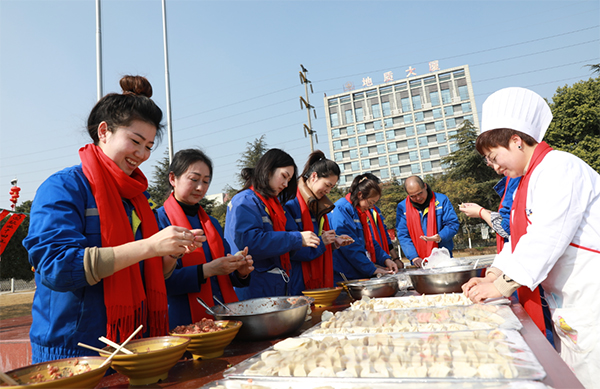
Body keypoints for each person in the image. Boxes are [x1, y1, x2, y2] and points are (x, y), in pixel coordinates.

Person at [23, 76, 205, 363]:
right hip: (74, 350)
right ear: (104, 131)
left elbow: (148, 270)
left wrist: (169, 255)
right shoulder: (64, 187)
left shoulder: (138, 198)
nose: (142, 154)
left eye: (148, 146)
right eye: (135, 141)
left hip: (133, 345)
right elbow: (56, 267)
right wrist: (149, 246)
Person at [461, 87, 600, 387]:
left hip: (592, 299)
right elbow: (519, 240)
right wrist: (493, 274)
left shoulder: (559, 168)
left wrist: (501, 286)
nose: (495, 167)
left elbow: (546, 238)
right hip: (568, 303)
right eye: (489, 161)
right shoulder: (526, 181)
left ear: (516, 140)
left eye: (495, 157)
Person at [156, 149, 254, 329]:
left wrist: (240, 270)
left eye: (206, 181)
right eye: (194, 179)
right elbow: (160, 281)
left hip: (220, 316)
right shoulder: (158, 221)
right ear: (173, 178)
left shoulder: (212, 223)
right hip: (182, 319)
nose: (200, 187)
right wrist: (206, 270)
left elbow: (222, 273)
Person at [224, 148, 320, 299]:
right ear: (268, 170)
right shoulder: (245, 201)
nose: (286, 184)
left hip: (273, 287)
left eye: (289, 180)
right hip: (255, 290)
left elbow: (287, 241)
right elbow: (249, 242)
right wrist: (296, 239)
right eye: (284, 176)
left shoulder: (274, 206)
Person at [284, 150, 353, 295]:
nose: (328, 190)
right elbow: (292, 248)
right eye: (327, 185)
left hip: (317, 274)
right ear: (314, 176)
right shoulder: (291, 202)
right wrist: (322, 242)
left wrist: (333, 242)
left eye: (331, 187)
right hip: (298, 279)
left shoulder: (318, 205)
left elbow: (317, 237)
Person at [329, 173, 398, 283]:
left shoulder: (359, 212)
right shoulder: (342, 209)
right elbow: (350, 246)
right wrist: (371, 269)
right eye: (370, 203)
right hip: (344, 273)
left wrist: (386, 259)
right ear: (360, 195)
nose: (371, 207)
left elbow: (369, 240)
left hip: (356, 271)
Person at [395, 176, 460, 267]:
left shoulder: (441, 200)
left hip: (443, 259)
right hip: (418, 261)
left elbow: (452, 224)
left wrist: (440, 236)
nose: (418, 198)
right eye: (413, 196)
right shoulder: (402, 207)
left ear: (425, 186)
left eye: (420, 193)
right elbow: (403, 235)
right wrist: (414, 257)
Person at [459, 176, 521, 253]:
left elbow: (506, 228)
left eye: (493, 162)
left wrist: (481, 212)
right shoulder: (513, 177)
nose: (489, 164)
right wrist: (483, 211)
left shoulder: (516, 178)